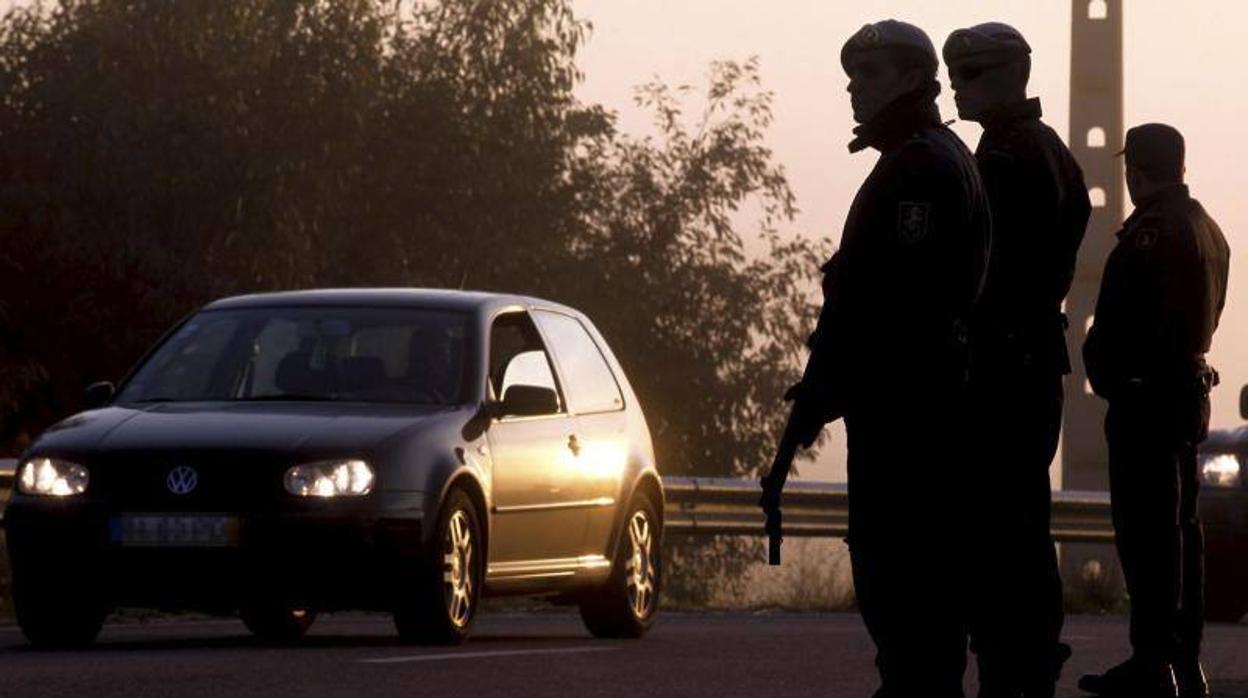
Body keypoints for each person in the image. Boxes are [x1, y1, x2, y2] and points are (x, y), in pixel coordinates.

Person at [776, 19, 991, 696]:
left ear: (910, 79)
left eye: (869, 73)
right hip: (910, 406)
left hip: (911, 415)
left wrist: (829, 388)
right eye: (852, 74)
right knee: (907, 589)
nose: (853, 87)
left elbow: (891, 307)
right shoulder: (919, 159)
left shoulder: (922, 166)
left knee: (904, 582)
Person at [942, 23, 1090, 697]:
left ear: (1010, 76)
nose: (956, 84)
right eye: (954, 72)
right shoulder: (1053, 151)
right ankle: (1025, 656)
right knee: (1021, 520)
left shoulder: (1003, 160)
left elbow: (977, 271)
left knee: (999, 527)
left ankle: (1013, 663)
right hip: (1033, 358)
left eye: (970, 73)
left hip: (1000, 363)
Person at [1080, 123, 1230, 698]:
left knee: (1146, 535)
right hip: (1188, 395)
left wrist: (1109, 374)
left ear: (1135, 170)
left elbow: (1115, 324)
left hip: (1147, 399)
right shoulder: (1209, 230)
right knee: (1183, 531)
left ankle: (1151, 660)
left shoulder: (1148, 234)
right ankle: (1183, 658)